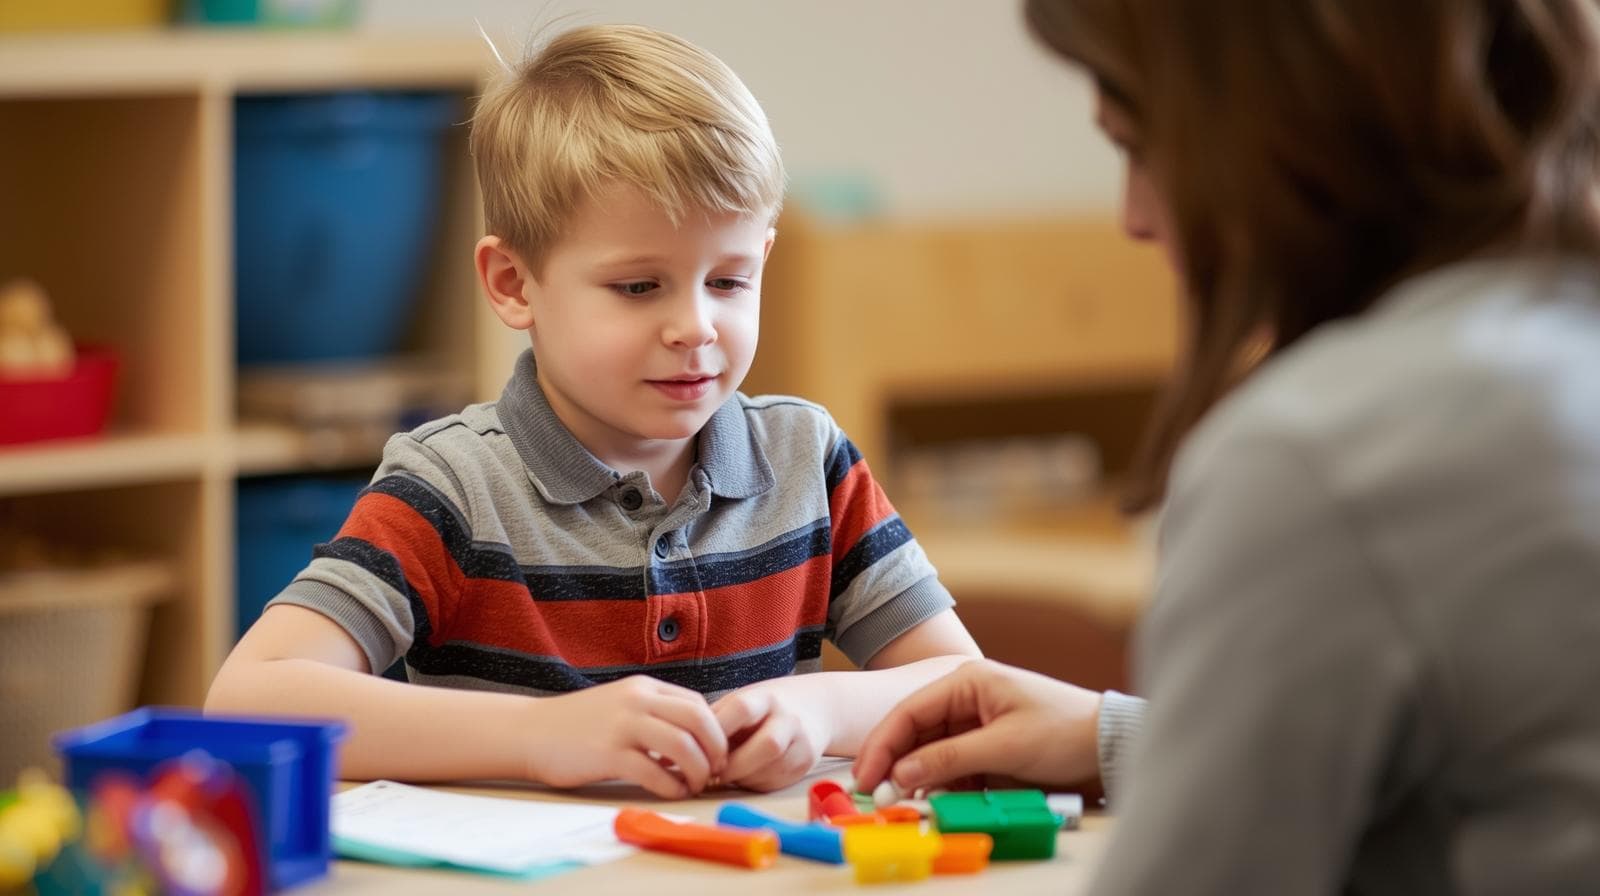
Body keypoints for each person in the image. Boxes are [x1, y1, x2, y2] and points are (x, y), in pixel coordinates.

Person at [855, 0, 1600, 891]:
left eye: (1136, 144)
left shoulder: (1321, 455)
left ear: (1267, 129)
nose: (1132, 216)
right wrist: (1123, 738)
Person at [207, 23, 981, 799]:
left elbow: (967, 686)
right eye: (639, 286)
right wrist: (542, 736)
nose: (696, 327)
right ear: (513, 283)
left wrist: (823, 708)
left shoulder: (808, 458)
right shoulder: (450, 483)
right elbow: (250, 701)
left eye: (729, 280)